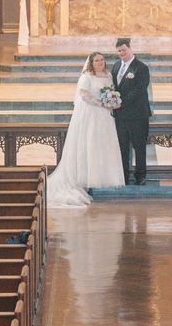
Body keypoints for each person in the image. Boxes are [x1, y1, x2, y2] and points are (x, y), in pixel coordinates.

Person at [45, 51, 126, 209]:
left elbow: (111, 92)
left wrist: (113, 102)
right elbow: (84, 95)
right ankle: (86, 179)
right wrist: (102, 103)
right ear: (91, 62)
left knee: (102, 145)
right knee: (89, 143)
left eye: (102, 60)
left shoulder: (108, 75)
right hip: (90, 114)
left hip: (105, 116)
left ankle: (102, 177)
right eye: (96, 60)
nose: (100, 62)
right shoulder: (86, 77)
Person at [111, 37, 153, 185]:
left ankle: (140, 176)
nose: (121, 53)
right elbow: (114, 88)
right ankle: (123, 175)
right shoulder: (116, 66)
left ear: (130, 49)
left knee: (139, 147)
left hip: (137, 116)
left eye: (124, 50)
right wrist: (111, 100)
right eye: (119, 51)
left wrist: (120, 102)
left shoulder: (141, 68)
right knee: (122, 148)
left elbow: (139, 91)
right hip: (120, 116)